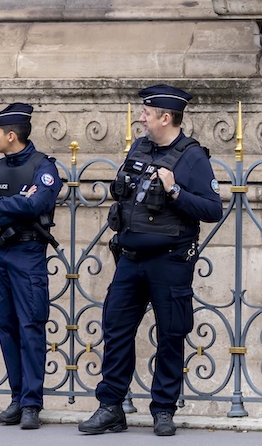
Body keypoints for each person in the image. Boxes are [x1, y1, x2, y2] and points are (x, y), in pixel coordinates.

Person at [79, 85, 223, 436]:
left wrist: (174, 190)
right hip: (131, 258)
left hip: (170, 261)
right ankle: (110, 407)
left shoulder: (192, 157)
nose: (141, 118)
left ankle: (163, 410)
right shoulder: (140, 148)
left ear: (165, 117)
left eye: (147, 113)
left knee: (171, 334)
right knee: (116, 329)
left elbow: (212, 209)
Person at [0, 103, 63, 430]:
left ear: (11, 136)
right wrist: (15, 205)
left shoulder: (44, 167)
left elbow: (38, 204)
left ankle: (31, 403)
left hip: (28, 254)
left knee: (30, 326)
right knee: (6, 326)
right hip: (1, 254)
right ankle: (17, 397)